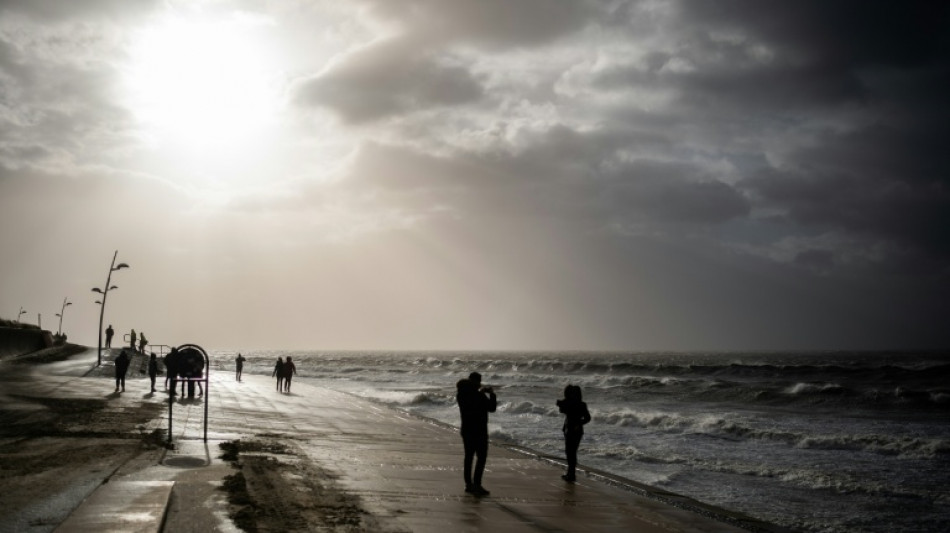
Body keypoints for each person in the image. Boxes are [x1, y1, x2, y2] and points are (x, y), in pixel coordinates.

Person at [456, 371, 497, 496]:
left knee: (468, 457)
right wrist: (492, 394)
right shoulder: (479, 396)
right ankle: (477, 484)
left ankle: (468, 484)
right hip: (479, 431)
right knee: (481, 457)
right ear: (477, 382)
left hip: (466, 430)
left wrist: (481, 392)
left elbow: (472, 400)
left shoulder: (461, 394)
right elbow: (492, 408)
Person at [557, 385, 591, 483]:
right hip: (575, 430)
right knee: (571, 452)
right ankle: (570, 473)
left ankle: (571, 474)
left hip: (572, 430)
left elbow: (562, 410)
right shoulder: (581, 404)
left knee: (570, 452)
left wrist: (578, 423)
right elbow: (587, 418)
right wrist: (580, 423)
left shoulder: (573, 404)